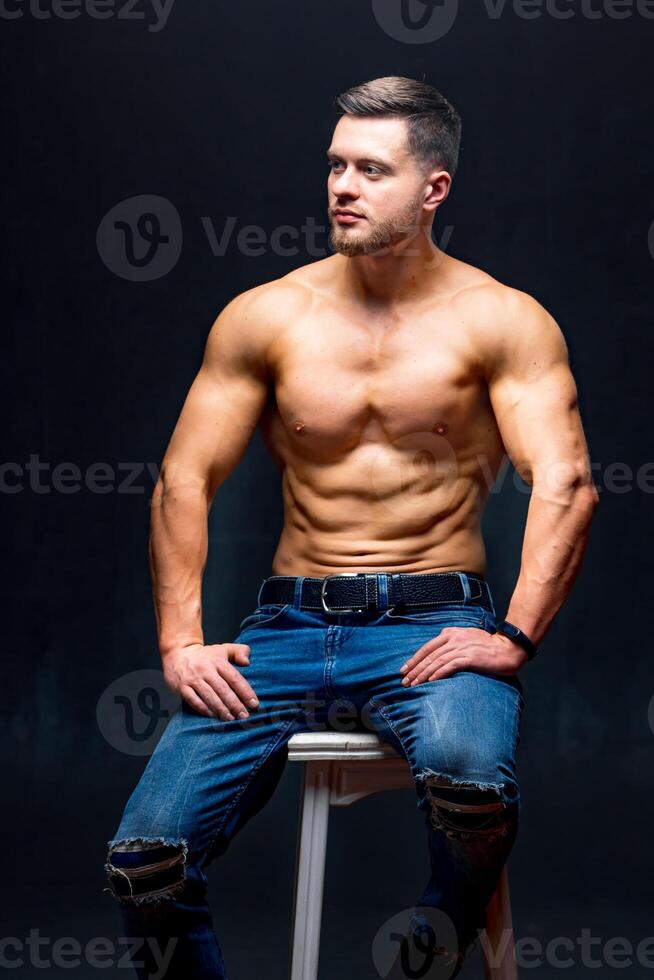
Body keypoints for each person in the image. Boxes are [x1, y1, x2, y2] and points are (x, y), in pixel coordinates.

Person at [104, 75, 598, 978]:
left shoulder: (500, 319)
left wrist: (516, 635)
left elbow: (567, 482)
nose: (342, 186)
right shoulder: (268, 316)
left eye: (371, 169)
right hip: (288, 629)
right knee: (146, 867)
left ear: (433, 189)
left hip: (432, 622)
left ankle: (443, 925)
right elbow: (184, 478)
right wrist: (180, 643)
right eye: (336, 165)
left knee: (470, 784)